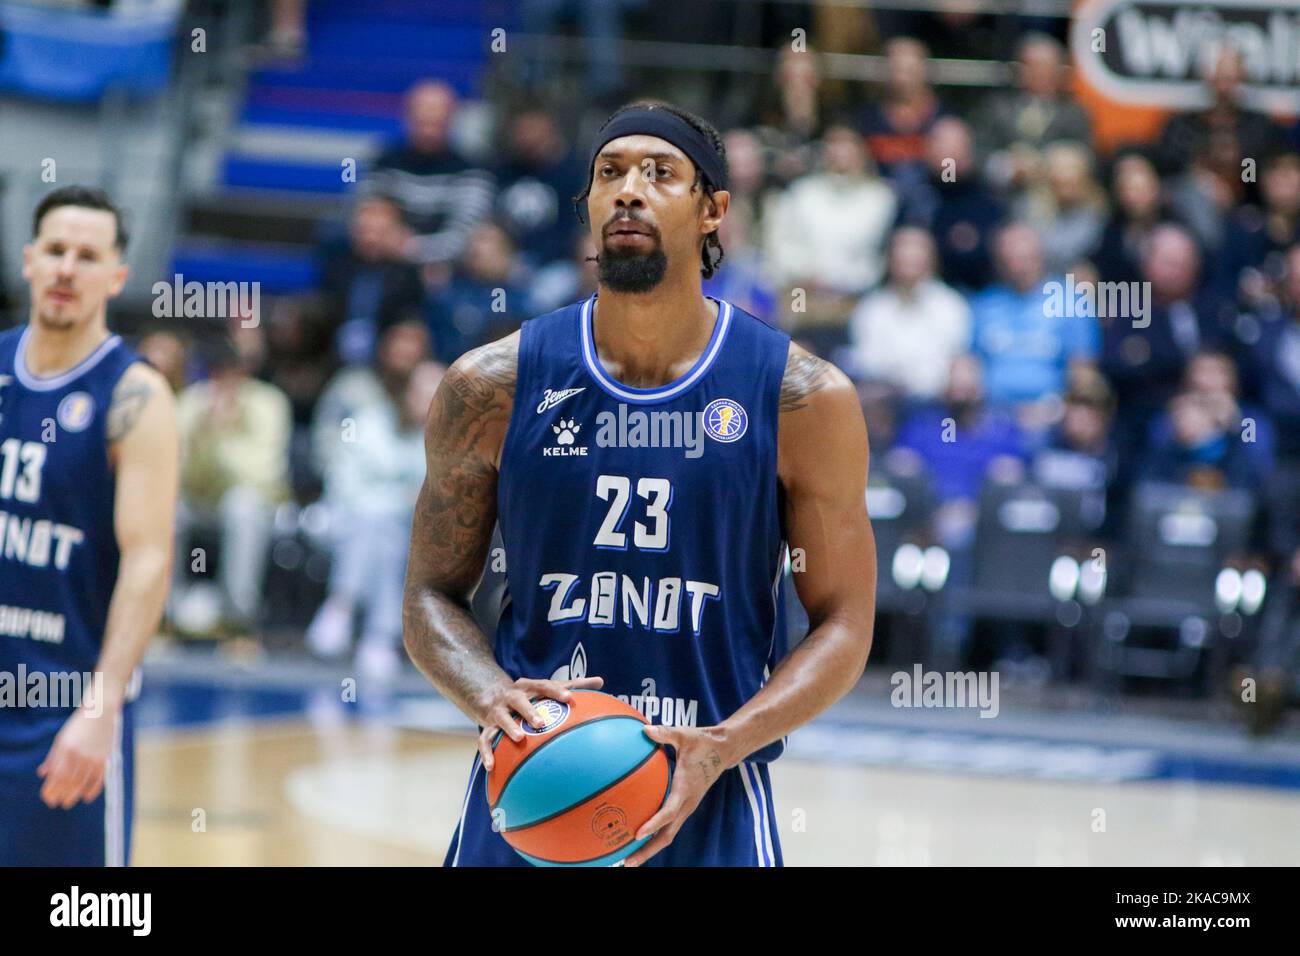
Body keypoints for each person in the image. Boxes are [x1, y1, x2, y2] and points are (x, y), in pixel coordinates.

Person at [402, 100, 877, 867]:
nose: (629, 190)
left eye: (661, 174)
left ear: (714, 209)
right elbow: (428, 597)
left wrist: (726, 743)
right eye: (610, 173)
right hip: (534, 785)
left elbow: (846, 625)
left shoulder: (801, 397)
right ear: (587, 204)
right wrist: (489, 696)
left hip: (712, 790)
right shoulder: (491, 386)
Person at [0, 186, 179, 865]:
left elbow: (148, 561)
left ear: (116, 276)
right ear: (28, 260)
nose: (67, 269)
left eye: (87, 255)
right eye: (55, 251)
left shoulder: (134, 395)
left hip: (62, 708)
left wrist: (101, 710)